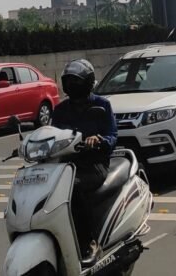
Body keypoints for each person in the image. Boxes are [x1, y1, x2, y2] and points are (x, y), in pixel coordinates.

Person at [51, 59, 118, 259]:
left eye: (76, 81)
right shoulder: (60, 110)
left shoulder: (102, 105)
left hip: (94, 164)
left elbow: (112, 135)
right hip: (66, 166)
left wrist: (99, 140)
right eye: (69, 81)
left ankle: (90, 240)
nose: (72, 85)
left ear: (87, 82)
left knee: (75, 188)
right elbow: (51, 135)